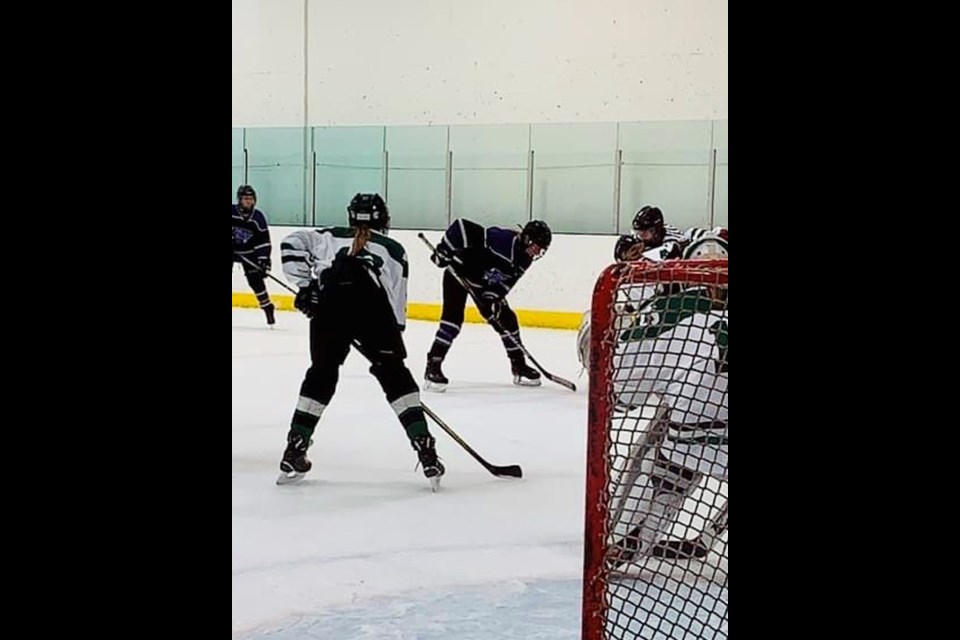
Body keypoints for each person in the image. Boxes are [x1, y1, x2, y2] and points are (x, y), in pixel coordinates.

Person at [276, 193, 445, 490]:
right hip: (373, 308)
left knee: (322, 372)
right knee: (394, 375)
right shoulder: (394, 249)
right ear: (384, 219)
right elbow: (396, 304)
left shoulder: (326, 236)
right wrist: (385, 347)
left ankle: (295, 447)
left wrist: (306, 287)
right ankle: (425, 449)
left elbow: (290, 242)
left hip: (329, 304)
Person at [581, 235, 729, 565]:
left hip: (691, 429)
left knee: (664, 451)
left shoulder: (675, 308)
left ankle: (626, 539)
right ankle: (699, 537)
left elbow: (622, 390)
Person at [424, 218, 552, 391]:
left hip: (483, 285)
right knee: (452, 321)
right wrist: (445, 250)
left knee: (508, 320)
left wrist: (492, 299)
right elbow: (461, 226)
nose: (537, 252)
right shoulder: (502, 239)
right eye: (536, 246)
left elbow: (506, 282)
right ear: (528, 239)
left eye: (541, 250)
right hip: (458, 274)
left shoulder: (525, 259)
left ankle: (519, 366)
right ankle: (433, 365)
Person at [614, 205, 728, 263]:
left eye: (645, 232)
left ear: (656, 231)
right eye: (638, 232)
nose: (641, 237)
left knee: (694, 233)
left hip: (680, 279)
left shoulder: (671, 239)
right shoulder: (638, 240)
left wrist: (642, 258)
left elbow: (670, 250)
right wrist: (623, 254)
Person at [232, 184, 276, 326]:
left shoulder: (258, 217)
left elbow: (264, 241)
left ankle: (267, 307)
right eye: (245, 198)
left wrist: (263, 261)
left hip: (249, 253)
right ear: (239, 200)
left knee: (255, 281)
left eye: (251, 199)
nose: (249, 201)